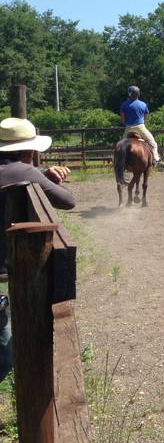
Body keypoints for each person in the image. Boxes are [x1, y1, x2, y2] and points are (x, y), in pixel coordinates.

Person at [0, 116, 76, 382]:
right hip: (8, 264)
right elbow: (68, 201)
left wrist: (40, 174)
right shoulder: (25, 170)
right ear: (30, 150)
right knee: (4, 357)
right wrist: (44, 176)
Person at [120, 85, 160, 164]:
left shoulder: (124, 104)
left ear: (130, 94)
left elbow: (123, 119)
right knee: (153, 143)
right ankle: (156, 159)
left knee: (121, 146)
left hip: (129, 128)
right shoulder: (143, 104)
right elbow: (146, 117)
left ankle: (119, 160)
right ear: (138, 94)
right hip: (140, 127)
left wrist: (124, 123)